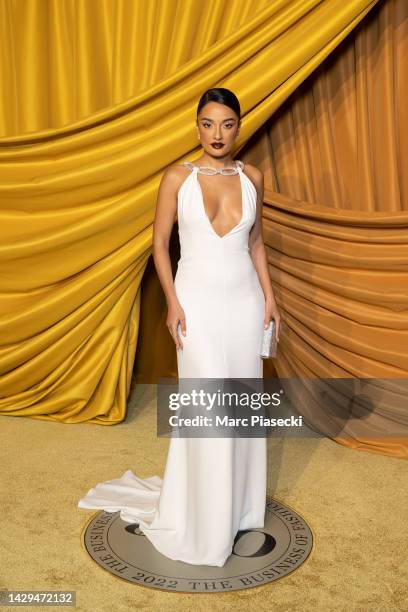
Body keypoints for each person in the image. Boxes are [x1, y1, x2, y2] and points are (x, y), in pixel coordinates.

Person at [78, 87, 281, 567]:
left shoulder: (253, 176)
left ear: (238, 126)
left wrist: (271, 297)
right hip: (195, 303)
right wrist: (171, 302)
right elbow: (159, 245)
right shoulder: (176, 177)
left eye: (227, 124)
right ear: (197, 127)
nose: (217, 133)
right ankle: (205, 522)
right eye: (208, 124)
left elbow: (256, 244)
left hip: (245, 302)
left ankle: (240, 508)